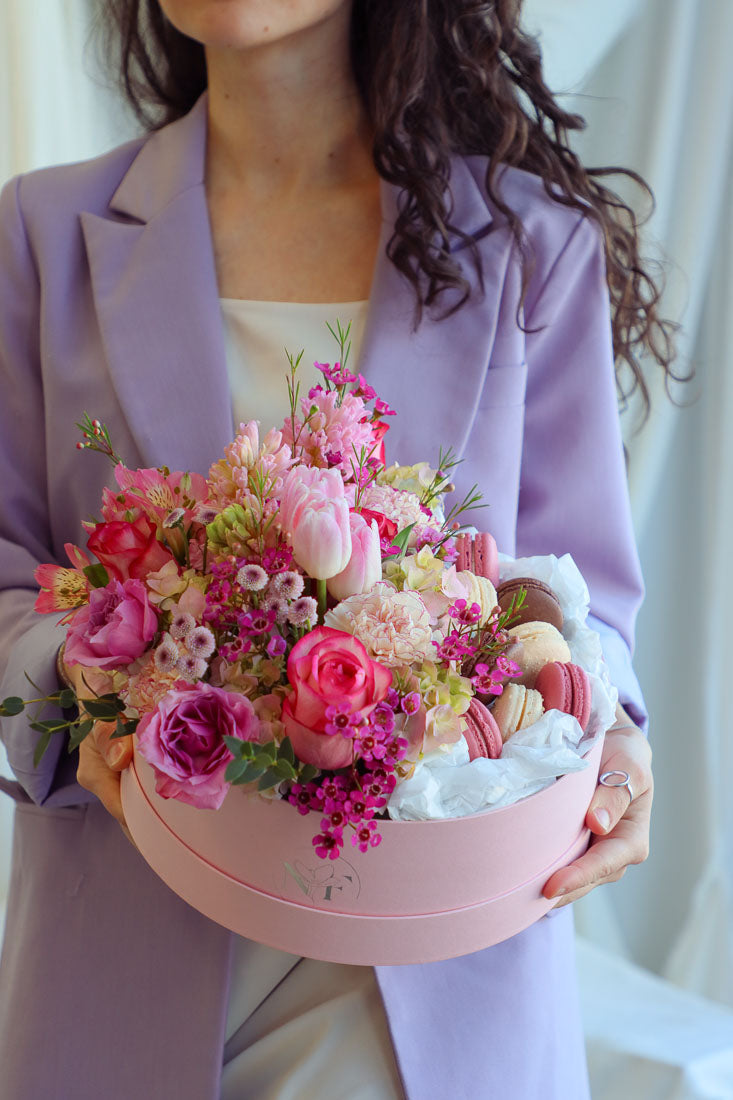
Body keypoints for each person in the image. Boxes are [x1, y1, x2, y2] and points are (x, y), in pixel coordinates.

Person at [0, 1, 670, 1097]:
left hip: (437, 994)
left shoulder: (528, 246)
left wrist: (618, 741)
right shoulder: (42, 233)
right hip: (124, 978)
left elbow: (580, 602)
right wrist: (88, 692)